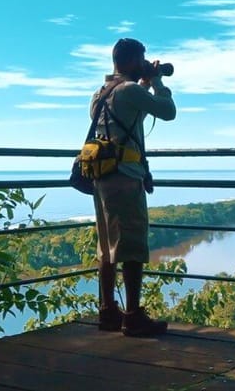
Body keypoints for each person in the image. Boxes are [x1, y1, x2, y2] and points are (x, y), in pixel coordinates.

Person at [91, 38, 176, 336]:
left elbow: (128, 131)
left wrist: (146, 169)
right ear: (129, 61)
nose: (145, 62)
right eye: (142, 58)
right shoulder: (130, 91)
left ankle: (108, 312)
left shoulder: (101, 93)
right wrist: (157, 82)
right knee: (132, 246)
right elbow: (168, 111)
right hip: (125, 178)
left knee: (107, 246)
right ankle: (133, 316)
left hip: (102, 178)